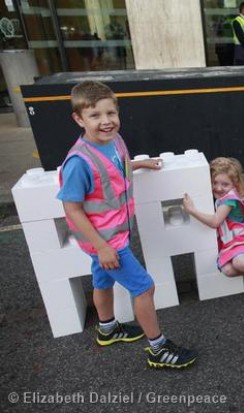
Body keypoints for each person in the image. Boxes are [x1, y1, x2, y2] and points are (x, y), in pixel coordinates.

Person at [57, 81, 197, 369]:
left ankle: (107, 329)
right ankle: (157, 349)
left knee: (102, 279)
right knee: (144, 288)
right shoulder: (78, 162)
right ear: (78, 119)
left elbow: (115, 168)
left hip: (112, 235)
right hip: (107, 240)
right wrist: (102, 247)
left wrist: (140, 165)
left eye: (111, 113)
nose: (106, 121)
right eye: (95, 115)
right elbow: (71, 208)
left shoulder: (114, 141)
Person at [182, 157, 244, 303]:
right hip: (230, 244)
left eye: (225, 184)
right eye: (215, 182)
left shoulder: (229, 200)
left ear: (234, 185)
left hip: (242, 241)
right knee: (228, 271)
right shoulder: (222, 197)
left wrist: (192, 210)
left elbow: (215, 222)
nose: (218, 188)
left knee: (240, 263)